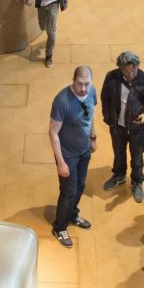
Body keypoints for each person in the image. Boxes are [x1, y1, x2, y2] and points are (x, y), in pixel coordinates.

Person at [100, 51, 144, 204]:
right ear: (120, 69)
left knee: (137, 158)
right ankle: (119, 176)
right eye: (125, 71)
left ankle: (136, 182)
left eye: (132, 70)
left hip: (136, 129)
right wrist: (109, 119)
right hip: (117, 128)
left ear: (137, 66)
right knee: (118, 154)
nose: (129, 74)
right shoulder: (111, 78)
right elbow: (105, 98)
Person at [49, 66, 98, 249]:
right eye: (80, 84)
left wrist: (93, 137)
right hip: (68, 155)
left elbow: (91, 114)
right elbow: (53, 133)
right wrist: (61, 162)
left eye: (87, 83)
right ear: (73, 80)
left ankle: (72, 214)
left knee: (81, 185)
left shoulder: (92, 91)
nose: (84, 88)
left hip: (84, 150)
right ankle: (60, 226)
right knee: (69, 192)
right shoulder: (62, 101)